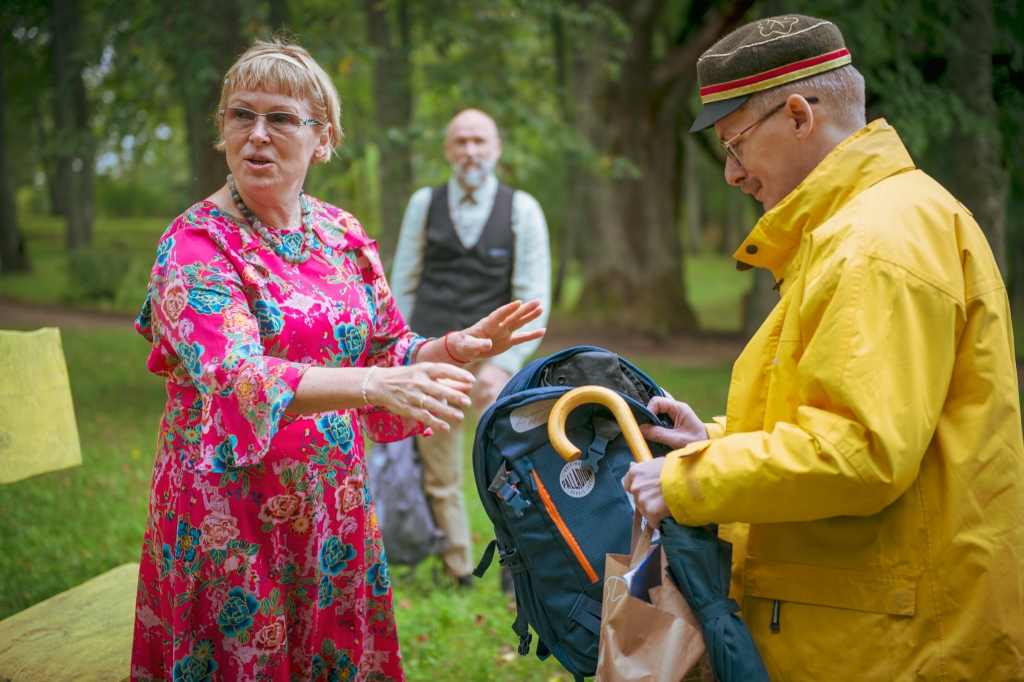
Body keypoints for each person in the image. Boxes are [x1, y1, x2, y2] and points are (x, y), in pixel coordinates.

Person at [129, 37, 544, 682]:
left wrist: (447, 349)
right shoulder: (194, 245)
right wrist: (377, 383)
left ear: (323, 139)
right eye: (242, 115)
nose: (258, 134)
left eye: (282, 118)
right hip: (229, 517)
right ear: (223, 131)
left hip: (334, 511)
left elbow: (386, 346)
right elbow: (236, 374)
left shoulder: (340, 234)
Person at [624, 14, 1024, 681]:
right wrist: (716, 444)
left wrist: (690, 481)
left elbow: (860, 453)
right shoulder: (866, 226)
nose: (731, 172)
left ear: (800, 115)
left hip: (893, 645)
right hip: (880, 622)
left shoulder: (874, 242)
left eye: (736, 143)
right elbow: (836, 412)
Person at [390, 108, 550, 586]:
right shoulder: (424, 203)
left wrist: (503, 366)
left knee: (510, 464)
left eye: (479, 141)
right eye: (460, 141)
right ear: (447, 149)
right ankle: (458, 567)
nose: (470, 151)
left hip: (495, 356)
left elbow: (533, 296)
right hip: (433, 350)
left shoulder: (522, 209)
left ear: (497, 147)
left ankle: (515, 567)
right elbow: (403, 284)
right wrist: (403, 349)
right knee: (439, 467)